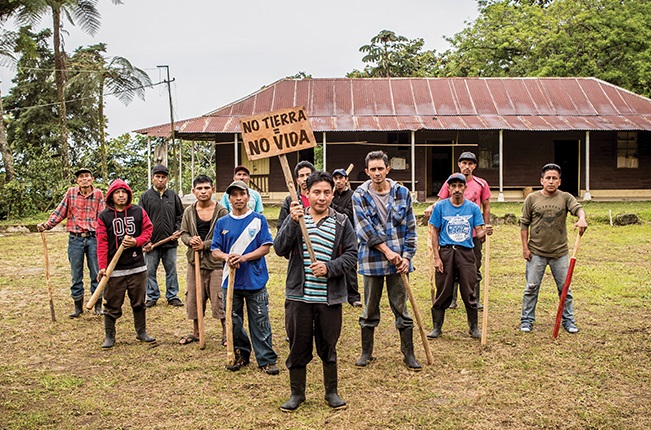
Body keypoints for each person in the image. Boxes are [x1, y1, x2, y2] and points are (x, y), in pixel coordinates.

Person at [275, 171, 357, 412]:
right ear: (307, 195)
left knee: (328, 345)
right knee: (298, 346)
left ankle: (331, 392)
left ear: (333, 194)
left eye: (327, 192)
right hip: (299, 297)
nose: (322, 197)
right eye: (316, 192)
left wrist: (329, 267)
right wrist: (291, 221)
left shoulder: (342, 222)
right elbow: (280, 248)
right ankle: (296, 394)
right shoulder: (297, 219)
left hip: (328, 299)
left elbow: (352, 255)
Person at [353, 150, 420, 371]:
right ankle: (366, 353)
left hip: (399, 264)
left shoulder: (402, 193)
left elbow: (411, 228)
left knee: (401, 308)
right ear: (366, 171)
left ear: (388, 169)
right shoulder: (359, 195)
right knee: (370, 308)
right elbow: (364, 230)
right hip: (372, 261)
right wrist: (388, 252)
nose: (377, 173)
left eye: (380, 168)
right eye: (372, 169)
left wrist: (407, 257)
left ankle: (408, 354)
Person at [211, 180, 279, 375]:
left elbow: (265, 246)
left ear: (248, 196)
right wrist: (227, 257)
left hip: (255, 280)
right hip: (229, 282)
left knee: (260, 320)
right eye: (234, 195)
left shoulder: (258, 220)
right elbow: (215, 249)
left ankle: (266, 358)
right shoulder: (222, 222)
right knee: (233, 320)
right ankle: (241, 353)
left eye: (242, 194)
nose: (238, 198)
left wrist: (244, 257)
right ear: (229, 198)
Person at [519, 163, 587, 334]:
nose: (551, 181)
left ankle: (568, 320)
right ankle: (526, 320)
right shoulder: (532, 199)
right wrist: (525, 248)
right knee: (531, 288)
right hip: (536, 253)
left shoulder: (565, 197)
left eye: (554, 178)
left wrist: (582, 219)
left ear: (559, 181)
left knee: (565, 289)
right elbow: (524, 224)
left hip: (560, 254)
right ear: (541, 180)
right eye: (548, 178)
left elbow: (578, 209)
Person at [425, 151, 492, 309]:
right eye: (464, 163)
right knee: (450, 268)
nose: (467, 167)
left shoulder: (481, 184)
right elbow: (440, 202)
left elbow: (486, 206)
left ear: (474, 166)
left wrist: (485, 228)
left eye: (470, 164)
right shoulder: (451, 182)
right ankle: (452, 300)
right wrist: (430, 207)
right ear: (459, 165)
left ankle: (474, 298)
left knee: (473, 267)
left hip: (473, 235)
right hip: (451, 235)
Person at [427, 173, 491, 339]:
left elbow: (479, 233)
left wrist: (486, 232)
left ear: (465, 188)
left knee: (469, 290)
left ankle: (474, 327)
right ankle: (437, 327)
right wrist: (436, 257)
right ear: (448, 188)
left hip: (466, 253)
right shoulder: (440, 208)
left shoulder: (473, 208)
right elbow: (434, 231)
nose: (456, 189)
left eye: (460, 186)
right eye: (453, 186)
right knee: (443, 291)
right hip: (446, 252)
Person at [37, 168, 105, 317]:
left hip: (93, 238)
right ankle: (78, 307)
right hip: (75, 239)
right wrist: (47, 225)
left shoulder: (98, 194)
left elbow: (102, 217)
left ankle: (97, 305)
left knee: (97, 272)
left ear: (92, 179)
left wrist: (106, 236)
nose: (84, 179)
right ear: (77, 181)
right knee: (76, 274)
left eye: (87, 176)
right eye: (81, 177)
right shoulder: (71, 193)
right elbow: (60, 212)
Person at [96, 179, 155, 348]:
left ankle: (141, 332)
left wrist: (137, 241)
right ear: (111, 196)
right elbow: (101, 243)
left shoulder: (138, 212)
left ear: (128, 195)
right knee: (112, 303)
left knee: (139, 301)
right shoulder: (104, 216)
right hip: (115, 269)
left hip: (137, 266)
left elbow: (148, 230)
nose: (121, 195)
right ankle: (110, 336)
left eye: (124, 192)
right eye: (117, 192)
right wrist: (102, 267)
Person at [179, 175, 229, 346]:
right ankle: (196, 331)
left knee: (219, 298)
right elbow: (183, 233)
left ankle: (225, 332)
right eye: (199, 188)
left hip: (215, 263)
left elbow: (225, 236)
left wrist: (205, 245)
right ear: (193, 191)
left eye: (206, 188)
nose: (203, 191)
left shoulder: (221, 212)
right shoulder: (189, 211)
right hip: (195, 263)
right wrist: (190, 241)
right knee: (194, 297)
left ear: (212, 190)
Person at [138, 164, 184, 308]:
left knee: (171, 269)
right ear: (153, 178)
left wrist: (177, 230)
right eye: (157, 177)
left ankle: (172, 295)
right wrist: (146, 240)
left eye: (163, 177)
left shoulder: (173, 196)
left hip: (170, 242)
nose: (160, 180)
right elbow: (140, 219)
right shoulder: (146, 197)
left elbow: (180, 215)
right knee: (149, 270)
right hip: (152, 243)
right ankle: (152, 296)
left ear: (167, 179)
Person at [331, 167, 362, 307]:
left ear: (346, 180)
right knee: (334, 262)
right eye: (336, 178)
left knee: (350, 265)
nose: (338, 181)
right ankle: (336, 294)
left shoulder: (353, 195)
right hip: (333, 232)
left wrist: (332, 205)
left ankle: (353, 296)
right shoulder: (330, 195)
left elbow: (349, 214)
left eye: (341, 178)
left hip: (349, 233)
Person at [277, 160, 315, 229]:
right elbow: (281, 227)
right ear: (297, 180)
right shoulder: (290, 201)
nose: (305, 179)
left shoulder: (321, 199)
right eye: (301, 176)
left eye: (308, 175)